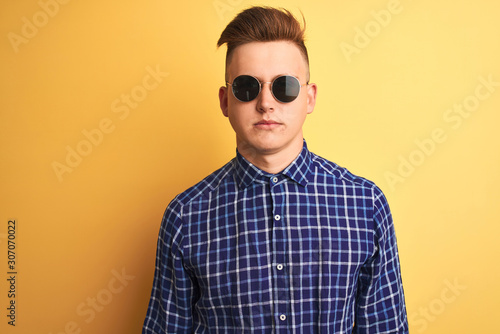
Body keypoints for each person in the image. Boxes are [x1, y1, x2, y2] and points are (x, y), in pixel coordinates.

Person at [142, 6, 408, 333]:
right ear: (226, 101)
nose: (266, 103)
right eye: (247, 87)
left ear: (309, 98)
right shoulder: (186, 215)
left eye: (284, 87)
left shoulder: (365, 205)